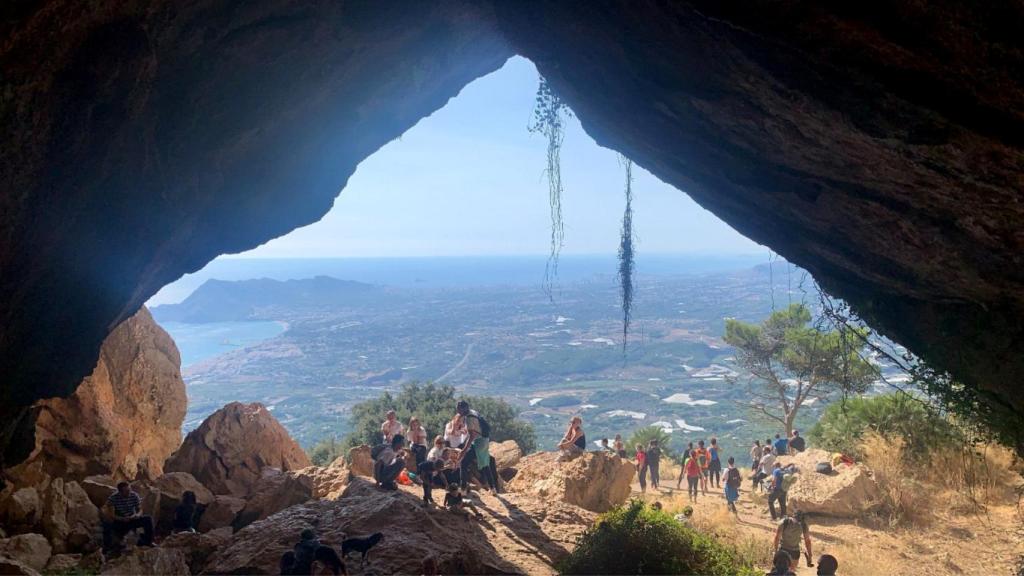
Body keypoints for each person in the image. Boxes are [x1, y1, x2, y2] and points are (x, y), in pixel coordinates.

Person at [455, 400, 498, 493]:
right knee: (485, 464)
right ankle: (493, 488)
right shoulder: (473, 412)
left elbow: (472, 435)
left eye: (459, 409)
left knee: (463, 463)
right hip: (484, 440)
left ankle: (462, 489)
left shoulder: (469, 418)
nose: (458, 411)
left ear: (464, 409)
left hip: (479, 442)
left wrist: (464, 450)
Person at [102, 481, 154, 552]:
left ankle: (147, 542)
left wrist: (137, 515)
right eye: (126, 491)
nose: (129, 492)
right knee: (106, 524)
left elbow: (140, 509)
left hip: (131, 519)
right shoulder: (113, 498)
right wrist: (122, 519)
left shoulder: (134, 495)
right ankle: (108, 547)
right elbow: (112, 515)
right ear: (120, 492)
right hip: (119, 521)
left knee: (148, 519)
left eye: (129, 490)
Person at [280, 528, 346, 575]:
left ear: (302, 538)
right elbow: (339, 563)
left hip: (296, 571)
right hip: (308, 571)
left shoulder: (298, 546)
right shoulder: (321, 547)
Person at [419, 436, 450, 505]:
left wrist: (446, 484)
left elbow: (441, 474)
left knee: (430, 483)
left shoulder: (441, 451)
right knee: (426, 485)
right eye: (440, 443)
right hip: (423, 470)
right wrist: (428, 483)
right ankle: (426, 498)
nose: (442, 444)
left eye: (443, 443)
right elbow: (422, 477)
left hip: (432, 470)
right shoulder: (433, 452)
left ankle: (429, 496)